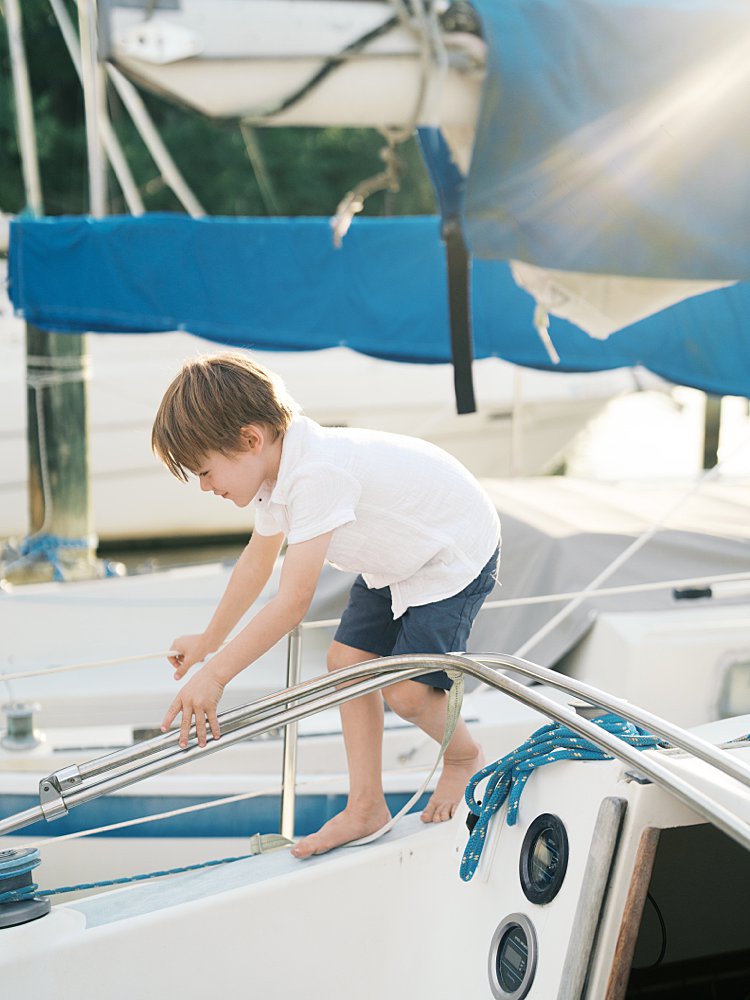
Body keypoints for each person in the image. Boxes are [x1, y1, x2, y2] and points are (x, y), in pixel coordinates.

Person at [152, 352, 501, 859]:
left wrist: (216, 676)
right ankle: (366, 806)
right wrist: (209, 642)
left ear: (251, 439)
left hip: (451, 551)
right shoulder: (277, 476)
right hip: (395, 555)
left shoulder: (316, 473)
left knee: (405, 693)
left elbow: (293, 603)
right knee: (345, 665)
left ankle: (463, 758)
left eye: (205, 471)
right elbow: (256, 563)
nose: (206, 486)